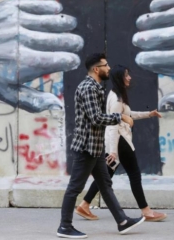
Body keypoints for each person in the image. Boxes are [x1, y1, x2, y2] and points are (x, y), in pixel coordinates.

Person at [57, 54, 145, 239]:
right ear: (97, 69)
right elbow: (95, 117)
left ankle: (122, 221)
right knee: (75, 188)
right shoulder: (89, 87)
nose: (109, 68)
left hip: (95, 148)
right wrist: (120, 117)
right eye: (106, 65)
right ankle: (64, 227)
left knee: (105, 184)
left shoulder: (95, 87)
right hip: (87, 148)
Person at [75, 64, 167, 223]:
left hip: (117, 142)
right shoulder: (116, 99)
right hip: (120, 141)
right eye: (126, 75)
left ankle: (84, 204)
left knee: (105, 176)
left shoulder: (117, 95)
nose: (129, 77)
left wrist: (149, 114)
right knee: (134, 174)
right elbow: (112, 125)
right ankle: (146, 211)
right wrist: (113, 151)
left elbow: (128, 115)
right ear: (119, 78)